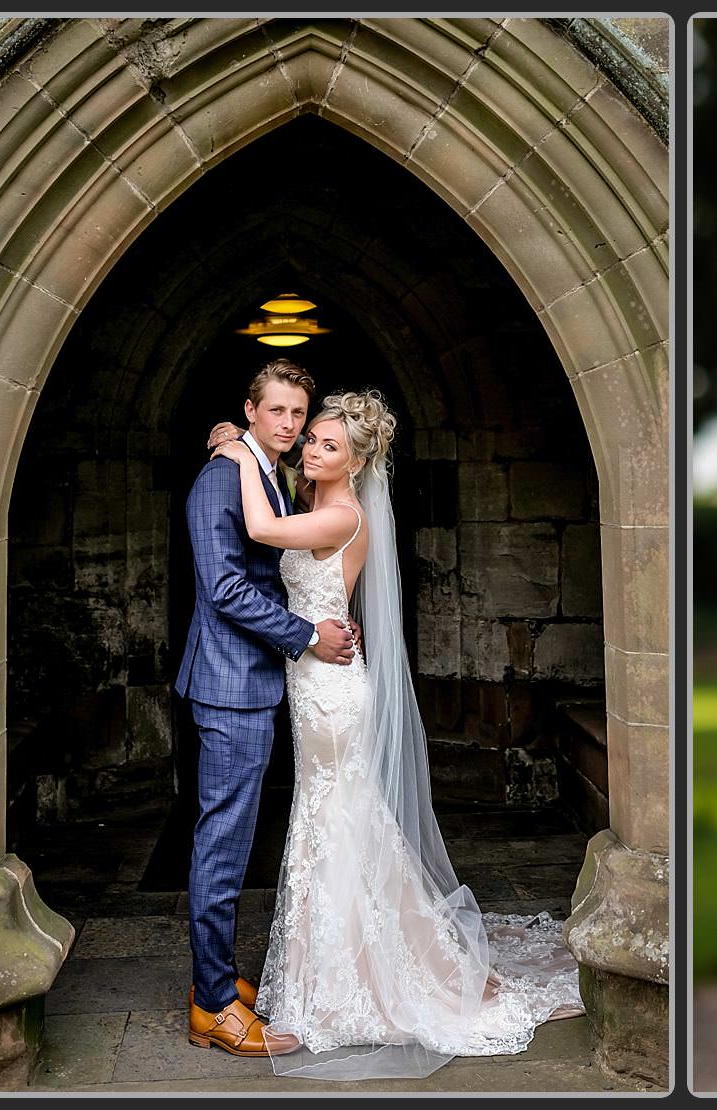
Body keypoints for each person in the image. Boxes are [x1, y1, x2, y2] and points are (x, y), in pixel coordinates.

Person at [202, 386, 583, 1079]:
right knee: (340, 818)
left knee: (337, 818)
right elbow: (279, 493)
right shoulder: (317, 497)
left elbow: (258, 528)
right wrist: (240, 435)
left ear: (355, 462)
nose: (310, 448)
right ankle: (345, 962)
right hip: (313, 677)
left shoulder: (338, 513)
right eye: (310, 438)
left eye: (327, 444)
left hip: (331, 692)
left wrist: (234, 451)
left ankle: (368, 978)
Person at [175, 358, 356, 1058]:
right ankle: (212, 1005)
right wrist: (308, 634)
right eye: (275, 411)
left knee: (232, 836)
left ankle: (217, 979)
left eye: (296, 415)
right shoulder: (222, 475)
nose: (287, 425)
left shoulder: (259, 469)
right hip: (229, 684)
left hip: (249, 679)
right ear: (250, 411)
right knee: (223, 842)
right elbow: (224, 588)